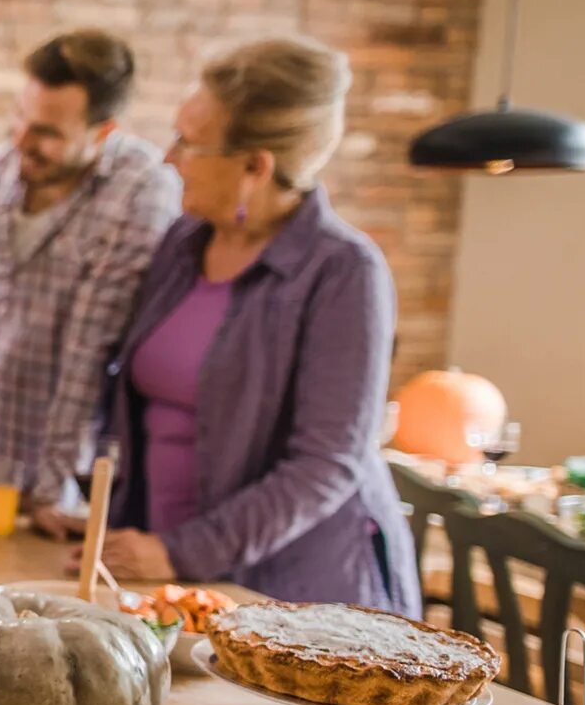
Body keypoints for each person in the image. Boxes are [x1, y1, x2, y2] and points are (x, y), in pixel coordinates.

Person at [95, 37, 419, 615]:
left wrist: (181, 552)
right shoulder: (181, 243)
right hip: (169, 572)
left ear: (255, 166)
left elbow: (327, 464)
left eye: (190, 143)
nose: (169, 158)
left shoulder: (344, 271)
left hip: (294, 592)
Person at [0, 29, 180, 537]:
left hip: (73, 486)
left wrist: (54, 485)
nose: (22, 140)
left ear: (103, 130)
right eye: (20, 117)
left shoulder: (142, 188)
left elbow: (91, 346)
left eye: (47, 131)